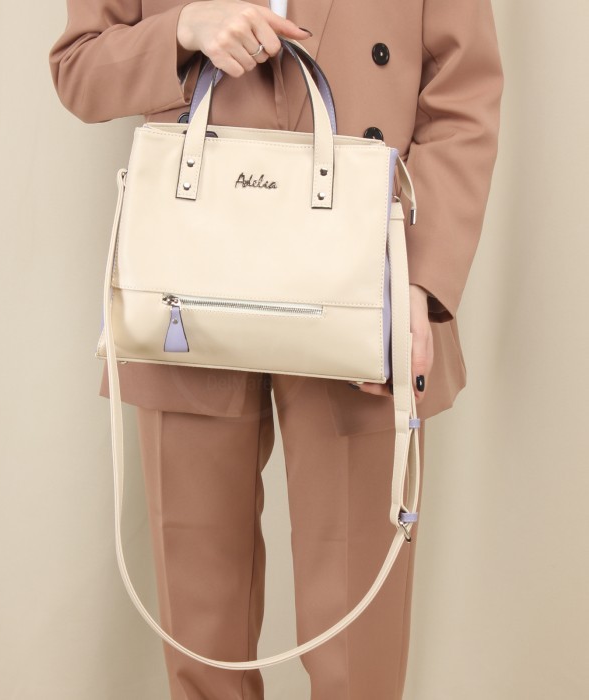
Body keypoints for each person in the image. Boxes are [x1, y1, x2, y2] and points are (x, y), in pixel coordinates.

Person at [49, 1, 503, 697]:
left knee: (358, 653)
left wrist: (419, 279)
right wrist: (183, 29)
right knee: (201, 644)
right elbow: (79, 69)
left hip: (363, 283)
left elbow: (463, 94)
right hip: (190, 285)